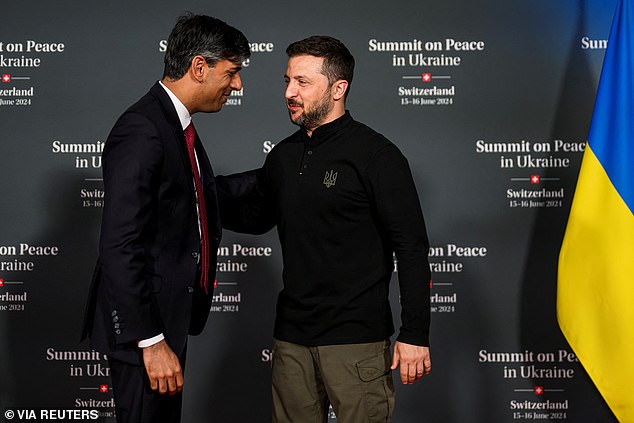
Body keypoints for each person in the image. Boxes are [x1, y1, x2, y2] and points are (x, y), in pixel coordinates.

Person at [222, 35, 432, 423]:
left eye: (302, 82)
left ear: (338, 88)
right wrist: (194, 205)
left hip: (356, 340)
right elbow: (256, 217)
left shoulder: (377, 155)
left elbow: (412, 247)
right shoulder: (283, 155)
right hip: (291, 339)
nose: (289, 92)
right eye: (287, 80)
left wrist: (415, 333)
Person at [80, 14, 250, 423]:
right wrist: (151, 341)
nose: (238, 85)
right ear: (198, 67)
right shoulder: (143, 129)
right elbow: (120, 246)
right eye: (232, 73)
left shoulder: (174, 124)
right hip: (146, 335)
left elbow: (197, 199)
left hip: (166, 324)